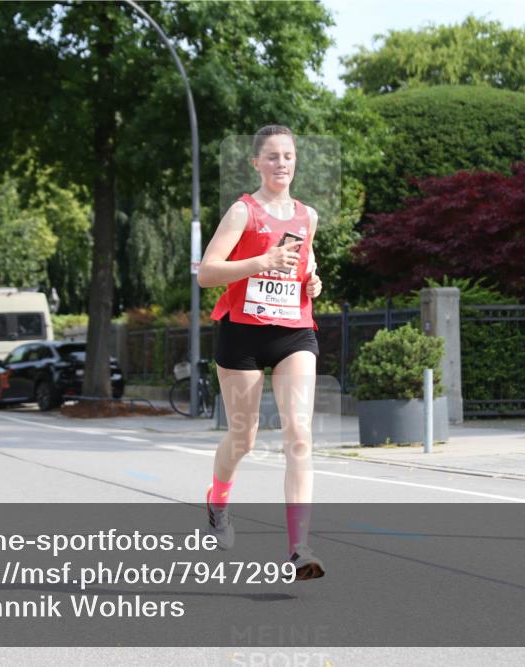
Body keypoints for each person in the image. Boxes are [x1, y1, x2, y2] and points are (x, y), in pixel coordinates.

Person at [197, 125, 325, 580]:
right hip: (242, 334)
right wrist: (260, 263)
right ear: (256, 163)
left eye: (288, 156)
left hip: (294, 330)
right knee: (244, 438)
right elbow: (207, 273)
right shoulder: (242, 212)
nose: (281, 164)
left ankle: (299, 548)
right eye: (271, 157)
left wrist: (313, 280)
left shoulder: (307, 216)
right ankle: (218, 499)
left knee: (300, 433)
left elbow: (306, 264)